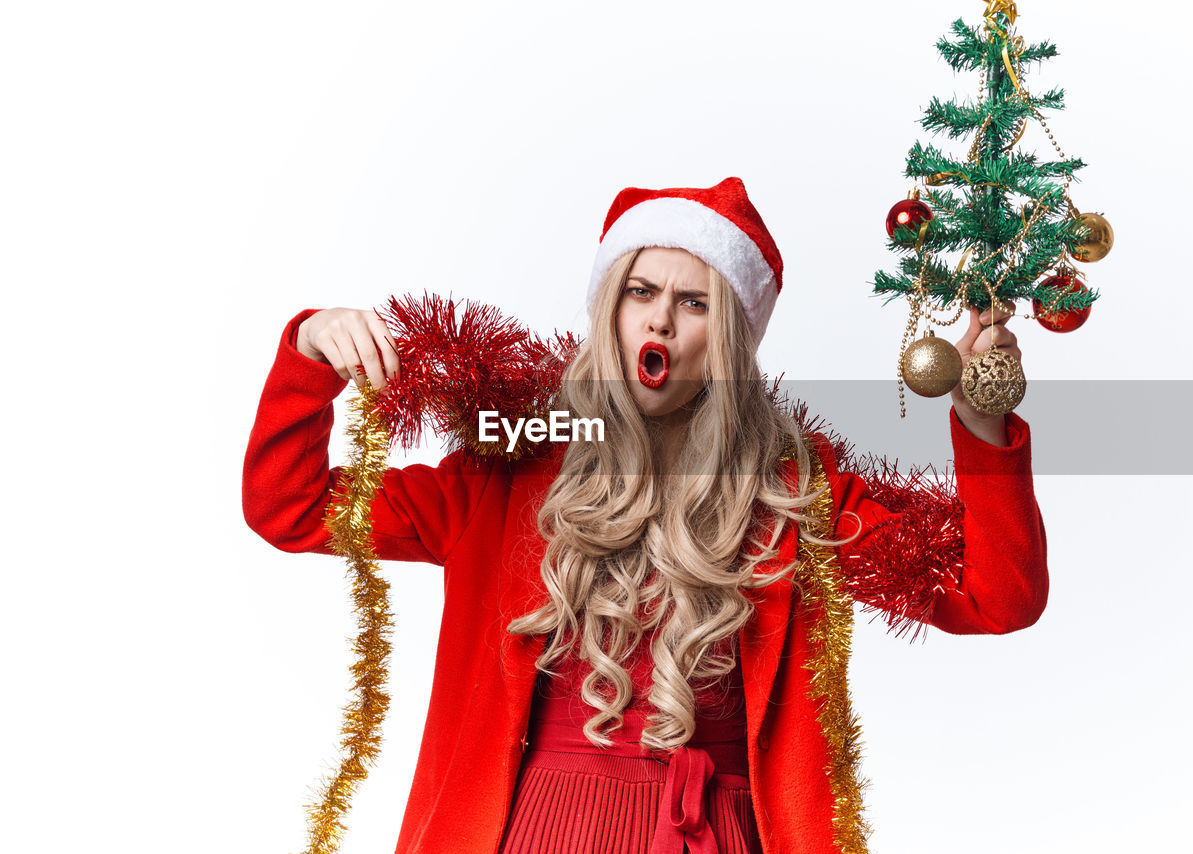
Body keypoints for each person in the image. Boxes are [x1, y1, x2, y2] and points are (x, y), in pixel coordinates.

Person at [243, 177, 1048, 854]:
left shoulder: (796, 492)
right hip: (529, 832)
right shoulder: (513, 462)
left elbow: (997, 597)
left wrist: (982, 429)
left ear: (729, 336)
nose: (660, 319)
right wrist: (312, 349)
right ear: (612, 314)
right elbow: (292, 506)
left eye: (694, 302)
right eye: (640, 292)